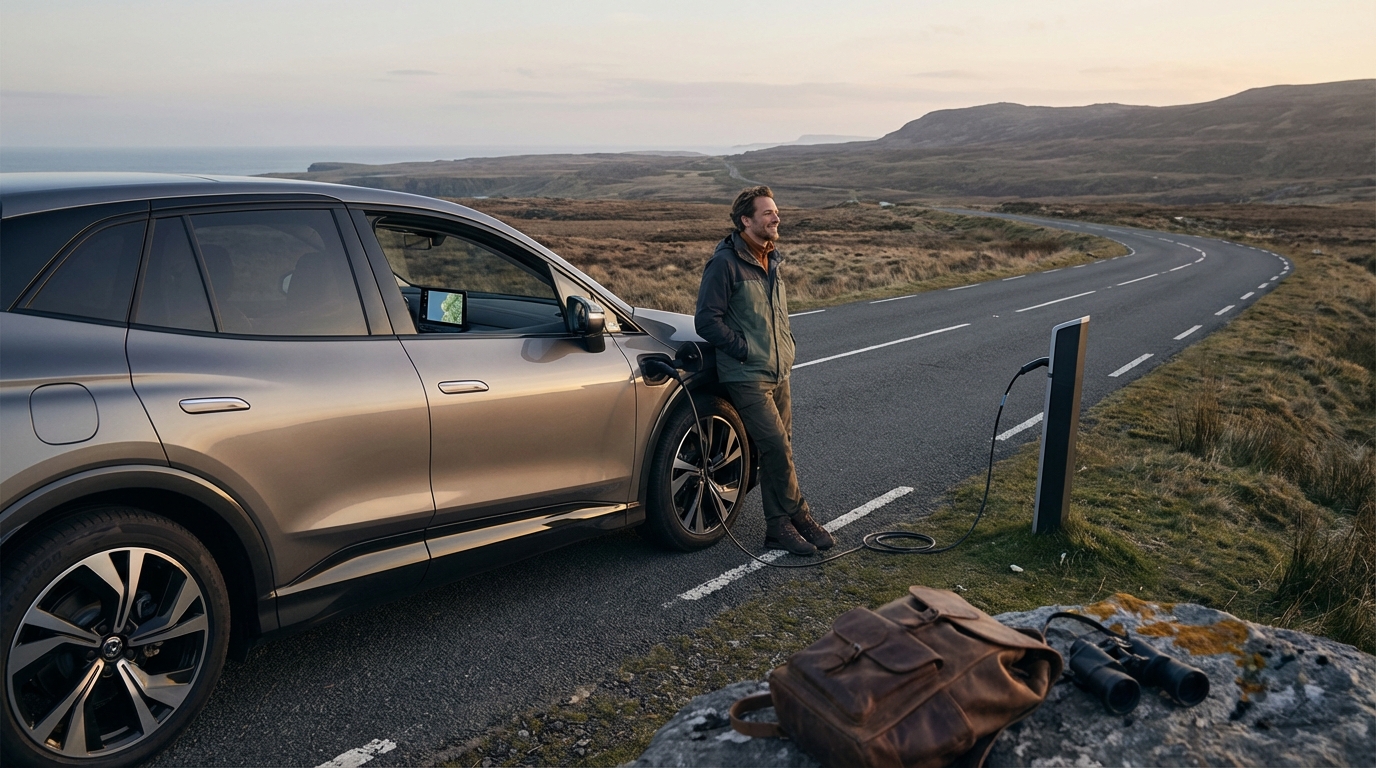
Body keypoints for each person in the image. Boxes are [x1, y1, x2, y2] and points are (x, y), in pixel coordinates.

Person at [694, 186, 835, 555]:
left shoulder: (771, 259)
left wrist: (787, 346)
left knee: (779, 449)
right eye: (768, 212)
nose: (777, 218)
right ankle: (800, 515)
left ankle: (777, 527)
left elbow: (775, 316)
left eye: (776, 211)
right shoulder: (725, 263)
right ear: (746, 220)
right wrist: (744, 350)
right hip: (746, 374)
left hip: (779, 370)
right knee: (775, 446)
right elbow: (706, 320)